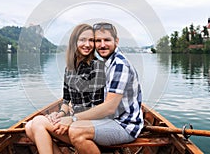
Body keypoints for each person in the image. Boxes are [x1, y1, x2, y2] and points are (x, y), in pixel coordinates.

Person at [53, 22, 144, 154]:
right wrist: (64, 113)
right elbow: (68, 99)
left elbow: (109, 107)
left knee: (76, 130)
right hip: (110, 120)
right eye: (97, 41)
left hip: (125, 126)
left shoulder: (119, 65)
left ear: (116, 41)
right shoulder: (108, 63)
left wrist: (73, 118)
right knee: (55, 127)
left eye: (107, 40)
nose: (102, 45)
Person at [25, 23, 105, 154]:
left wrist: (71, 120)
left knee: (38, 122)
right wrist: (60, 114)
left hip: (90, 126)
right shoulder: (69, 69)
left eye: (91, 40)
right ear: (74, 42)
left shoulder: (97, 67)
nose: (88, 44)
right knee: (29, 127)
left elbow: (96, 109)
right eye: (83, 39)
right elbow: (66, 101)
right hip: (74, 121)